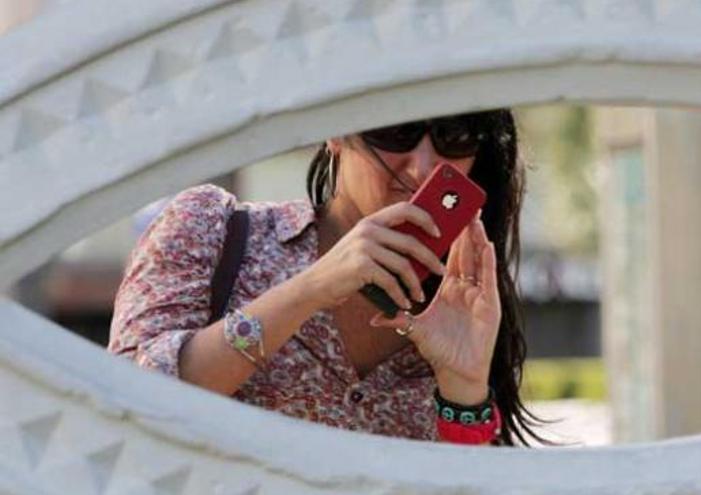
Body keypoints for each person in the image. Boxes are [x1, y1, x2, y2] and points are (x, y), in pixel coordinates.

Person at [108, 109, 546, 446]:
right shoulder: (211, 228)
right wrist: (310, 290)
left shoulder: (464, 297)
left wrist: (464, 389)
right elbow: (120, 404)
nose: (422, 167)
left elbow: (467, 480)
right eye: (396, 131)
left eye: (456, 135)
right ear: (336, 129)